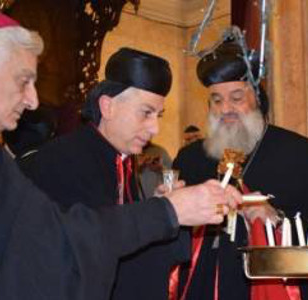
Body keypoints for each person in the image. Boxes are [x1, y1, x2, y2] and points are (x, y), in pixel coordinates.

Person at [0, 8, 241, 300]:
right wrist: (167, 212)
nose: (32, 101)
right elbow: (60, 244)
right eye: (23, 81)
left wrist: (174, 212)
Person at [173, 39, 308, 300]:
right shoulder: (190, 159)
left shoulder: (300, 153)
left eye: (236, 98)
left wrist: (277, 219)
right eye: (216, 100)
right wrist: (168, 206)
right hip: (204, 286)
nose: (225, 109)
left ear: (258, 97)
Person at [20, 47, 188, 299]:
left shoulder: (123, 161)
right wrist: (163, 213)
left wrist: (168, 212)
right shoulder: (59, 162)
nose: (155, 128)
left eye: (159, 115)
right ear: (107, 106)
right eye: (146, 113)